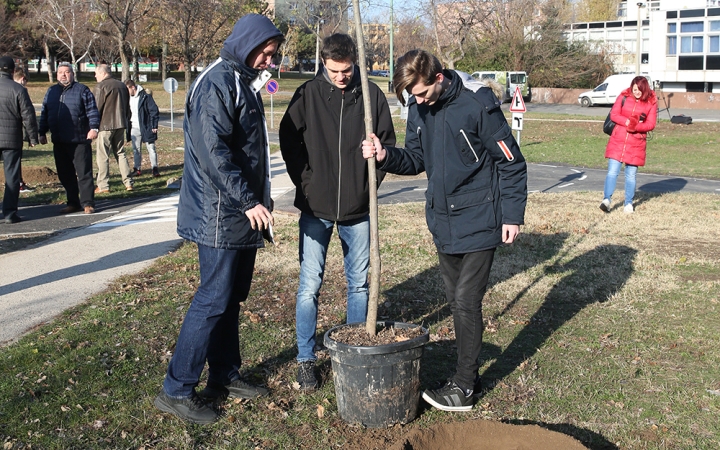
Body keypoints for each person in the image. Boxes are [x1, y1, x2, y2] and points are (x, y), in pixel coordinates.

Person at [362, 50, 527, 412]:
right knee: (456, 303)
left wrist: (512, 216)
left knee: (467, 301)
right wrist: (385, 155)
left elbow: (512, 163)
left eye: (420, 93)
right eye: (411, 97)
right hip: (443, 221)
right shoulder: (419, 108)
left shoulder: (477, 104)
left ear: (438, 78)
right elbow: (416, 160)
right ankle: (469, 374)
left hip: (482, 219)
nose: (416, 101)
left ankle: (465, 387)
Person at [154, 14, 284, 425]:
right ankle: (176, 389)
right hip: (219, 214)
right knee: (212, 299)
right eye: (265, 52)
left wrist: (257, 200)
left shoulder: (241, 79)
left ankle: (224, 375)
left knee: (229, 298)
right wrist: (248, 201)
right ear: (246, 43)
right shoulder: (216, 83)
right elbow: (216, 155)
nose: (269, 61)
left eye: (273, 55)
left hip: (238, 213)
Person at [279, 33, 396, 391]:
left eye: (346, 70)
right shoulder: (309, 94)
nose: (341, 77)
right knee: (309, 285)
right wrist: (306, 182)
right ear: (324, 64)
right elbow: (288, 137)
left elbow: (387, 144)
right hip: (316, 208)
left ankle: (353, 352)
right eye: (334, 71)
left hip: (358, 209)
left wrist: (368, 181)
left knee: (358, 284)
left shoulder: (371, 95)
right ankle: (305, 359)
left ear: (354, 63)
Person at [39, 62, 99, 215]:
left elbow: (92, 110)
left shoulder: (82, 90)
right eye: (60, 72)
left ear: (72, 74)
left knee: (84, 172)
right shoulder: (51, 91)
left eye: (67, 72)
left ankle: (87, 203)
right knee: (65, 173)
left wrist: (94, 128)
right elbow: (45, 113)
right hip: (59, 139)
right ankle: (73, 202)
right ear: (57, 74)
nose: (63, 75)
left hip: (79, 139)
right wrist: (42, 131)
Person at [599, 76, 657, 214]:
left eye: (640, 90)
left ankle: (628, 203)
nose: (636, 92)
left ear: (645, 89)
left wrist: (635, 126)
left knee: (630, 175)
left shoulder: (651, 102)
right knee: (612, 172)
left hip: (636, 144)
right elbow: (614, 114)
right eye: (635, 89)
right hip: (617, 140)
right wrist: (626, 122)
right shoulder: (623, 96)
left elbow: (651, 124)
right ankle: (606, 200)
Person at [0, 57, 38, 223]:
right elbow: (28, 116)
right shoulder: (18, 89)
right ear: (12, 70)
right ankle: (9, 213)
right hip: (11, 139)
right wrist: (32, 136)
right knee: (12, 176)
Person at [93, 63, 133, 193]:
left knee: (103, 155)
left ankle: (103, 185)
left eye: (96, 73)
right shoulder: (122, 85)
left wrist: (92, 125)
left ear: (103, 73)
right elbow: (127, 106)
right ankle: (128, 183)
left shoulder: (101, 86)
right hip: (121, 123)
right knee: (120, 153)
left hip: (105, 125)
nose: (95, 76)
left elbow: (96, 108)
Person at [124, 80, 161, 177]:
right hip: (134, 127)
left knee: (151, 148)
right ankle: (137, 169)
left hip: (146, 126)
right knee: (136, 149)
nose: (126, 92)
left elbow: (154, 111)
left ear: (133, 87)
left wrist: (154, 125)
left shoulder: (145, 97)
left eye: (127, 89)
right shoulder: (127, 98)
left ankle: (155, 168)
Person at [12, 67, 33, 193]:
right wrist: (32, 135)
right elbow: (27, 114)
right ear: (23, 79)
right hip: (13, 133)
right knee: (14, 160)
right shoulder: (20, 91)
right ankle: (18, 183)